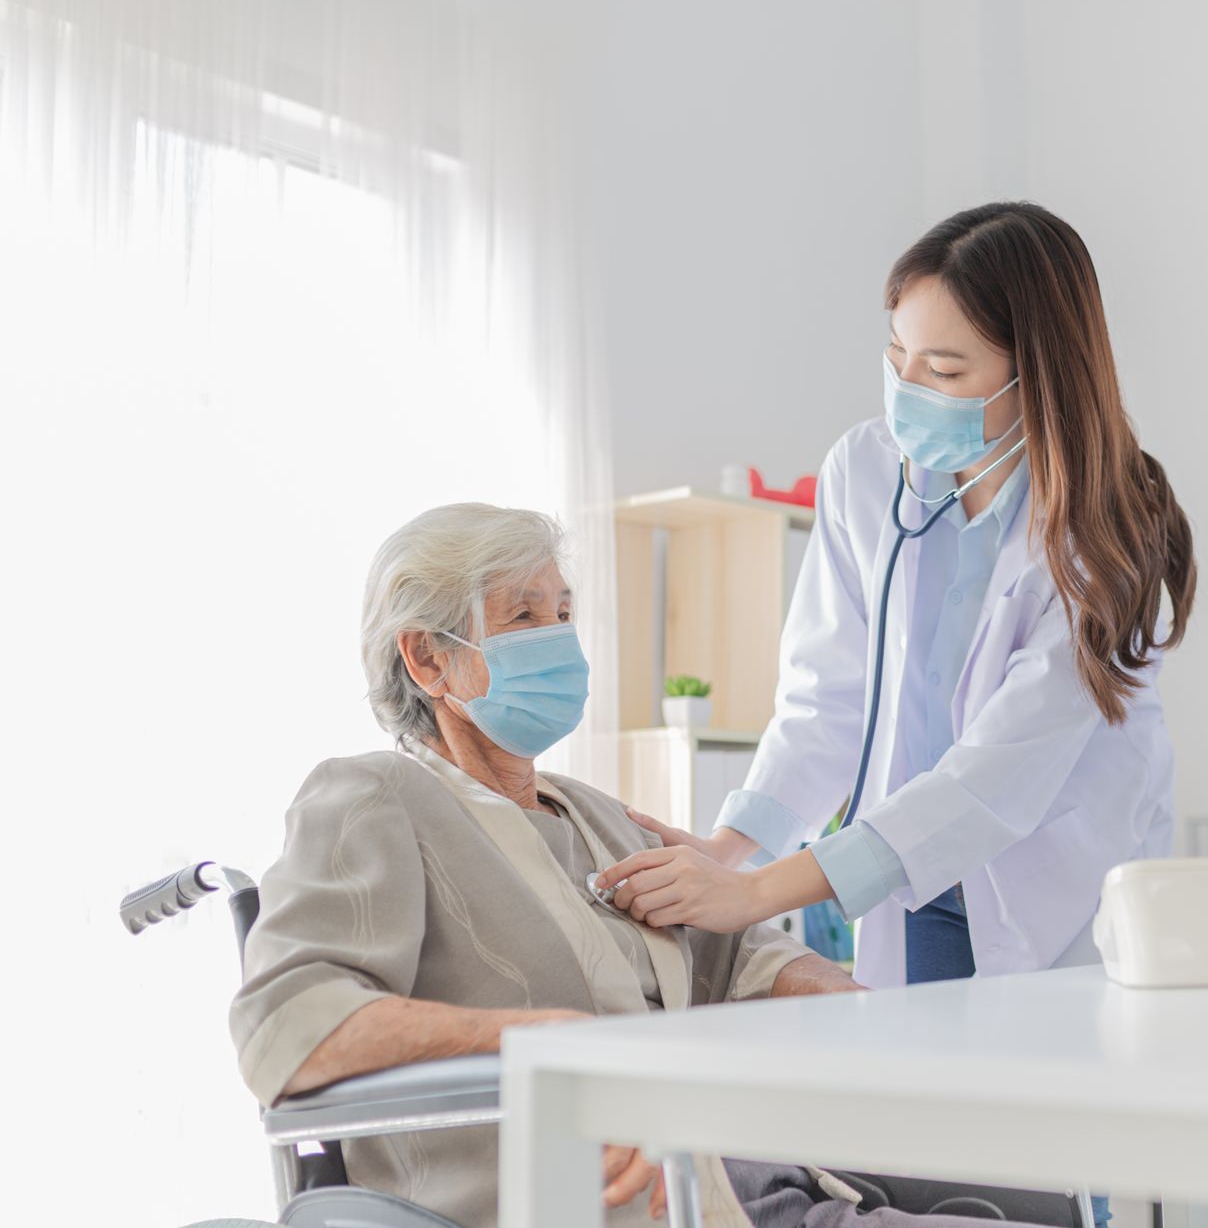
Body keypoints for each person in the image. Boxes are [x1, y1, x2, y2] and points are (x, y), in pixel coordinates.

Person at [230, 502, 1069, 1228]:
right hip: (602, 1196)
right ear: (428, 658)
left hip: (741, 1163)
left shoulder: (592, 813)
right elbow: (287, 1023)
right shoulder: (374, 798)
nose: (558, 637)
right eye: (524, 617)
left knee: (1041, 1188)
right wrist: (538, 1040)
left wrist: (860, 1012)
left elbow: (735, 955)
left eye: (564, 611)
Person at [599, 201, 1196, 1004]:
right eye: (897, 357)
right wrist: (730, 848)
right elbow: (827, 697)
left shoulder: (1107, 535)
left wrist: (758, 895)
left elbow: (994, 781)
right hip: (906, 880)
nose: (908, 390)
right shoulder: (867, 473)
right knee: (929, 1101)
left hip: (1059, 902)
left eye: (945, 372)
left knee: (1034, 1106)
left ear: (1041, 377)